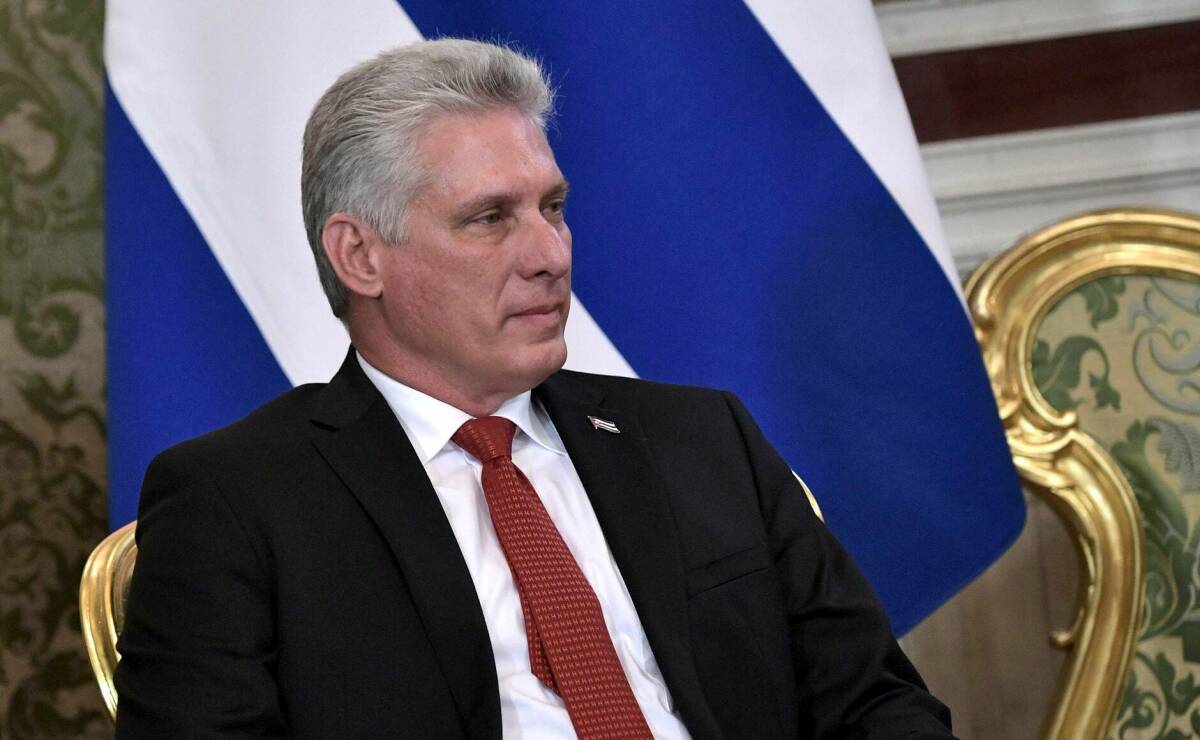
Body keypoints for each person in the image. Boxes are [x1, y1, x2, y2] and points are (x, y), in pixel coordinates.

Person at [113, 38, 954, 739]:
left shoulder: (703, 439)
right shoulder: (237, 500)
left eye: (552, 208)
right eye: (490, 218)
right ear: (360, 256)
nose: (550, 255)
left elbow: (876, 705)